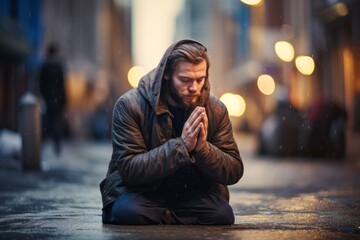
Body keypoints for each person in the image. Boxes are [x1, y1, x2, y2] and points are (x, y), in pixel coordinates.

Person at [100, 39, 244, 225]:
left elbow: (234, 170)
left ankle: (165, 216)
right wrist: (181, 147)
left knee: (222, 215)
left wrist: (202, 149)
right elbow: (129, 169)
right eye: (185, 80)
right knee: (127, 212)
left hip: (192, 194)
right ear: (166, 74)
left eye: (200, 79)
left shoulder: (216, 109)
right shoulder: (129, 105)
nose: (194, 88)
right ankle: (171, 216)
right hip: (143, 193)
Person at [39, 43, 67, 155]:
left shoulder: (45, 66)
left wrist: (45, 95)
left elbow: (41, 84)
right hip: (58, 99)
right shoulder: (58, 66)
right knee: (56, 122)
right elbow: (63, 85)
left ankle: (42, 142)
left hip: (49, 99)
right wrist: (64, 99)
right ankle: (56, 145)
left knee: (48, 121)